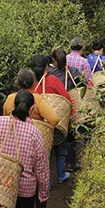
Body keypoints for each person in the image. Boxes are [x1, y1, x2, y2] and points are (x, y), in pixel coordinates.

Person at [31, 54, 74, 184]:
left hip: (38, 124)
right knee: (60, 150)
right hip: (55, 122)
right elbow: (66, 98)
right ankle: (61, 175)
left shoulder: (31, 83)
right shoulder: (53, 80)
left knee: (44, 154)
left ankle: (46, 182)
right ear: (46, 67)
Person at [49, 47, 81, 172]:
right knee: (71, 136)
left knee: (56, 137)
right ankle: (71, 163)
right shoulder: (74, 71)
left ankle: (55, 167)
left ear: (53, 59)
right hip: (70, 107)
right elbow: (81, 86)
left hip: (55, 109)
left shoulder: (51, 74)